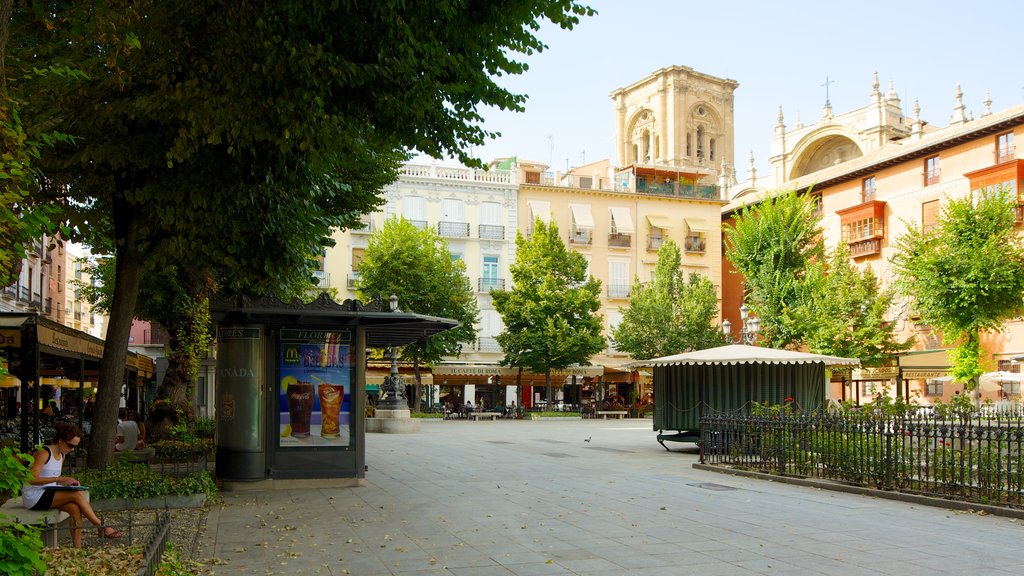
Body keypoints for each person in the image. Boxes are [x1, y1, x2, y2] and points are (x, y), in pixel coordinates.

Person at [22, 422, 122, 547]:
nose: (72, 449)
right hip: (34, 495)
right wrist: (60, 479)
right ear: (60, 441)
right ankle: (101, 526)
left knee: (75, 509)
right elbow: (30, 479)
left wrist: (68, 482)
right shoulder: (44, 453)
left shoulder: (62, 455)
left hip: (48, 492)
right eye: (70, 445)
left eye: (75, 447)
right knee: (76, 495)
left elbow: (53, 479)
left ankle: (77, 549)